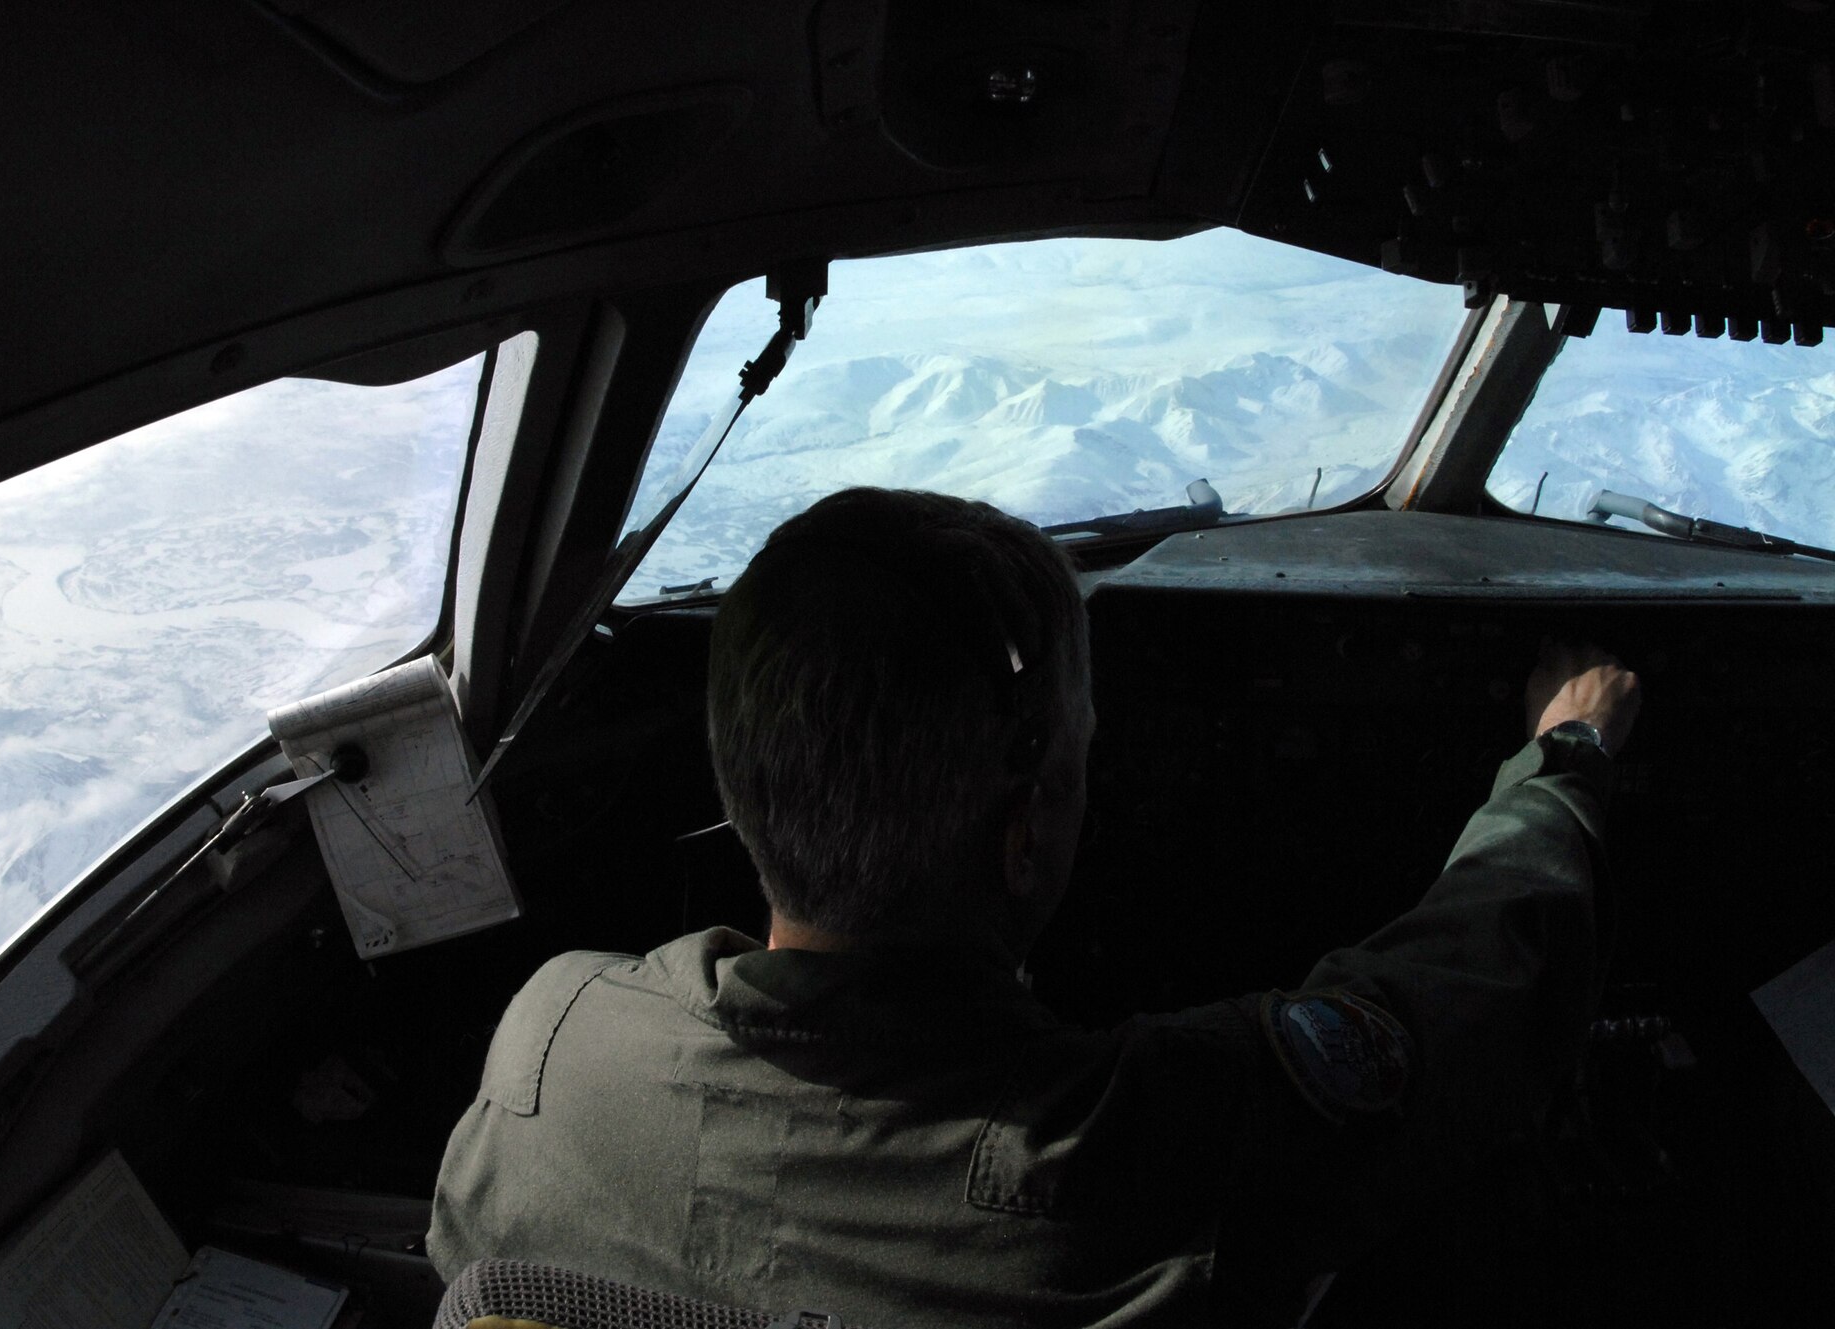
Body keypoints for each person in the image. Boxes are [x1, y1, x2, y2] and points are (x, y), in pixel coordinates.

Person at [428, 487, 1642, 1327]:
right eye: (1077, 759)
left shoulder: (555, 1038)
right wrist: (1565, 752)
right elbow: (1472, 1001)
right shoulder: (1137, 1157)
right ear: (1024, 835)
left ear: (740, 780)